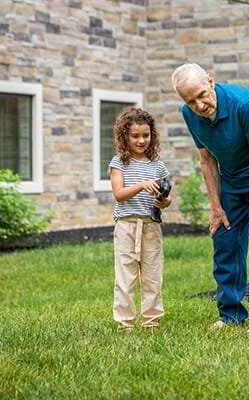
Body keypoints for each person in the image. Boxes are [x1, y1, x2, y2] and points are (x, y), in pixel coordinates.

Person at [171, 63, 249, 332]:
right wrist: (216, 207)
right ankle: (231, 315)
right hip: (233, 179)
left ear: (211, 81)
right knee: (225, 240)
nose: (199, 105)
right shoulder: (189, 114)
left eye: (202, 94)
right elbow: (207, 161)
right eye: (190, 101)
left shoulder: (243, 103)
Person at [108, 108, 171, 332]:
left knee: (152, 276)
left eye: (146, 135)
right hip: (126, 226)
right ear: (124, 136)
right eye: (135, 136)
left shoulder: (158, 166)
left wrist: (163, 201)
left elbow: (166, 198)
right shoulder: (119, 164)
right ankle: (125, 324)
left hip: (151, 226)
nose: (141, 140)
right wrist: (142, 185)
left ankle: (151, 321)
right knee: (126, 276)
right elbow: (119, 193)